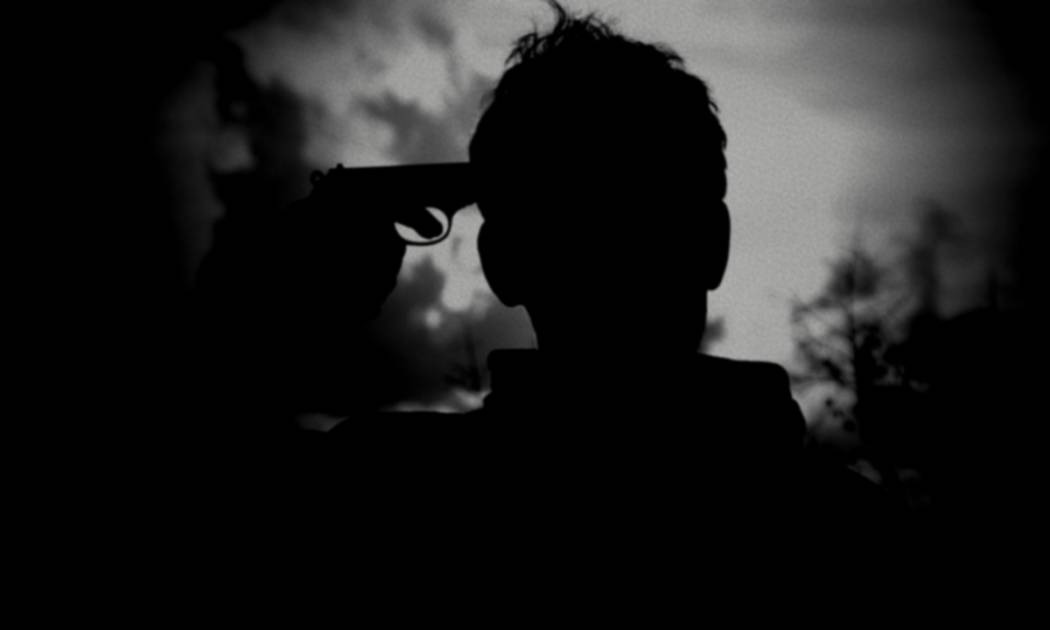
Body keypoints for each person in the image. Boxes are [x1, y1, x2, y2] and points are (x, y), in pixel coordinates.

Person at [190, 2, 893, 529]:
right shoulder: (855, 525)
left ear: (501, 264)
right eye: (582, 216)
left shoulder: (377, 487)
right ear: (714, 244)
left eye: (631, 212)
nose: (610, 250)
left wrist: (269, 308)